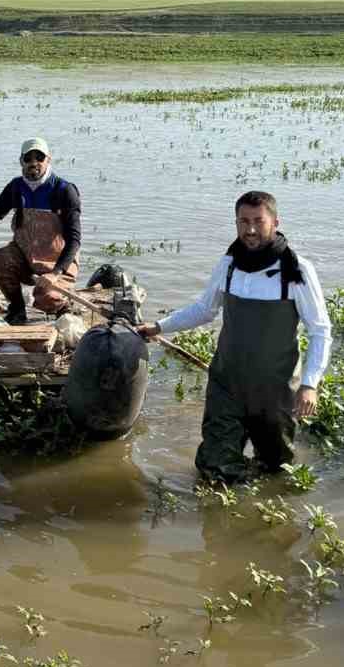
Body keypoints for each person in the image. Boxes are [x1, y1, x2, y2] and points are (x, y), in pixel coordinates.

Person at [139, 191, 331, 482]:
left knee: (277, 469)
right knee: (214, 468)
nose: (250, 229)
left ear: (275, 222)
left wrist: (309, 384)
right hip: (227, 383)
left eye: (258, 221)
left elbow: (320, 330)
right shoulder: (228, 264)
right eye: (243, 221)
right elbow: (204, 310)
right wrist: (159, 326)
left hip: (275, 388)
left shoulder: (296, 269)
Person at [0, 137, 81, 325]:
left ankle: (64, 305)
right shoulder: (16, 187)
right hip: (25, 257)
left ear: (48, 160)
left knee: (47, 300)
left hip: (58, 263)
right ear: (21, 161)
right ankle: (17, 309)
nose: (34, 163)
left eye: (39, 158)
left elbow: (75, 239)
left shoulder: (64, 190)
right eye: (28, 158)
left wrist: (56, 273)